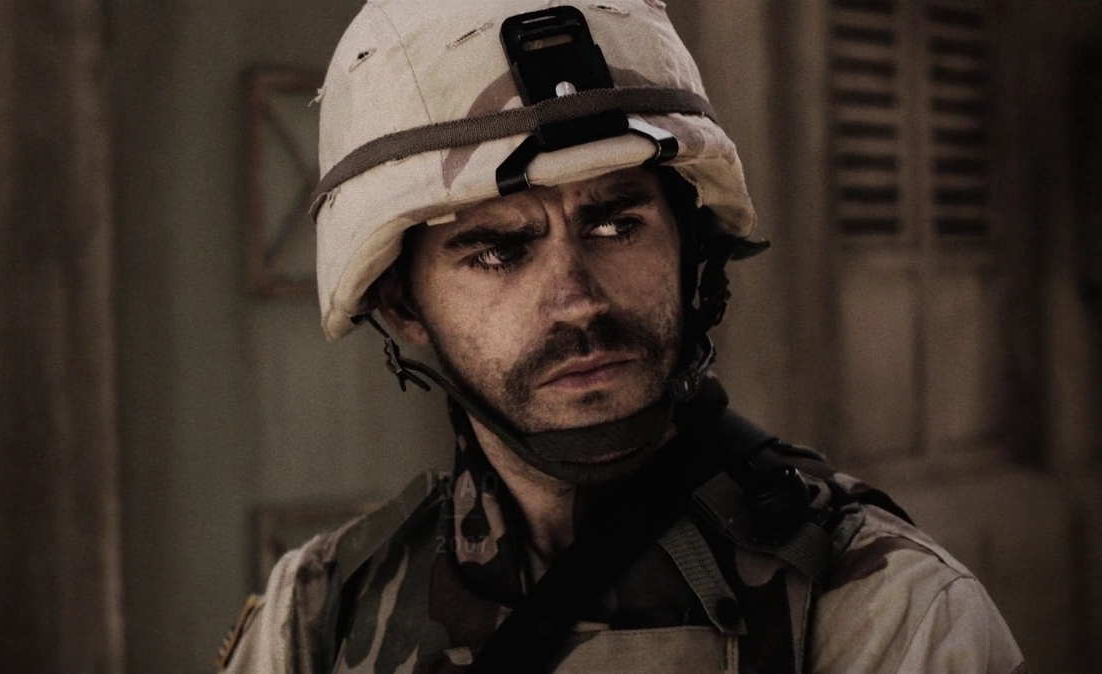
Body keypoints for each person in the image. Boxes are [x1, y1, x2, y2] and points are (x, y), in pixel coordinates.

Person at [218, 1, 1026, 672]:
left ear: (690, 252)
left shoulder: (883, 607)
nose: (576, 301)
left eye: (615, 224)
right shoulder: (320, 614)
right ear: (403, 306)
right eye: (498, 252)